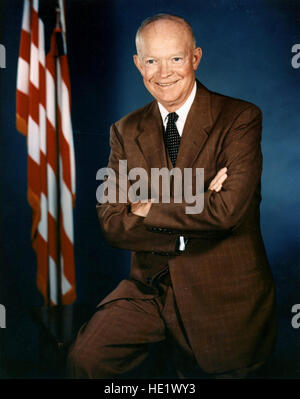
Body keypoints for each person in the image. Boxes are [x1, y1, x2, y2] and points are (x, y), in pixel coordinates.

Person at [68, 14, 277, 379]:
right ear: (138, 64)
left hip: (222, 293)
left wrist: (147, 206)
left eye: (176, 59)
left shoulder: (240, 118)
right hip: (149, 290)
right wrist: (200, 198)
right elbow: (112, 223)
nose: (163, 73)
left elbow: (227, 211)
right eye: (152, 60)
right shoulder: (125, 130)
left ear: (195, 57)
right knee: (84, 361)